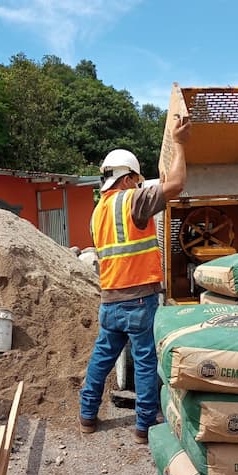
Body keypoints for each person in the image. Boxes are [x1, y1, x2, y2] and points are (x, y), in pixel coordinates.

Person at [79, 116, 191, 444]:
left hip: (109, 300)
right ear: (128, 178)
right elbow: (177, 185)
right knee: (145, 361)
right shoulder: (133, 200)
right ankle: (144, 426)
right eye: (137, 180)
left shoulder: (97, 212)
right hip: (139, 299)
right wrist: (180, 143)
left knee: (102, 357)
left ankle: (87, 416)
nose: (140, 186)